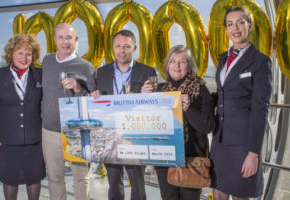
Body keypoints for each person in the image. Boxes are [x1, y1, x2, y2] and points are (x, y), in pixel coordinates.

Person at [210, 6, 272, 200]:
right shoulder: (222, 58)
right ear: (226, 30)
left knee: (240, 195)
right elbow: (223, 94)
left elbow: (260, 109)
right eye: (230, 24)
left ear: (249, 26)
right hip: (220, 141)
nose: (235, 28)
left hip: (243, 144)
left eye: (240, 22)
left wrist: (253, 153)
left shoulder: (261, 62)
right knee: (218, 193)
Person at [91, 30, 156, 200]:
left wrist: (142, 96)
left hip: (135, 135)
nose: (122, 50)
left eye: (127, 46)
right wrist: (95, 96)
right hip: (110, 135)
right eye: (118, 46)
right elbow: (98, 102)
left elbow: (154, 104)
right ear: (113, 48)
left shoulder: (147, 71)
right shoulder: (102, 72)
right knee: (113, 182)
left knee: (137, 184)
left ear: (134, 48)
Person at [144, 45, 215, 200]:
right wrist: (144, 98)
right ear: (167, 65)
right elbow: (147, 122)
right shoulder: (160, 89)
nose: (176, 66)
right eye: (172, 61)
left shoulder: (201, 89)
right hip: (165, 157)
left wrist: (189, 110)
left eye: (182, 62)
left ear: (189, 66)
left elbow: (209, 126)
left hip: (191, 160)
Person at [0, 33, 44, 200]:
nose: (24, 58)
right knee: (9, 180)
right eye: (20, 53)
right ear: (11, 54)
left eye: (28, 53)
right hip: (6, 141)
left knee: (34, 179)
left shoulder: (40, 75)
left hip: (34, 140)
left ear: (34, 56)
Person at [41, 23, 95, 200]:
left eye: (69, 37)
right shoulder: (47, 61)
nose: (65, 42)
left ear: (76, 40)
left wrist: (79, 88)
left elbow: (95, 99)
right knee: (55, 177)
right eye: (61, 37)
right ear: (55, 40)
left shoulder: (86, 67)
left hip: (77, 131)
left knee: (81, 177)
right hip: (49, 130)